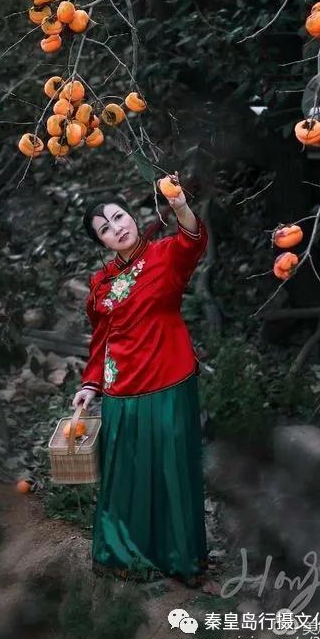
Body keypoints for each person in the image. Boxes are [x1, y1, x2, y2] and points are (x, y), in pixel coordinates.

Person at [72, 175, 213, 588]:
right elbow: (101, 340)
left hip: (170, 379)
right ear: (102, 243)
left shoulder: (168, 254)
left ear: (132, 216)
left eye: (118, 217)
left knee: (174, 470)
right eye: (105, 229)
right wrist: (89, 385)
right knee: (126, 475)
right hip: (121, 390)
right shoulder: (99, 286)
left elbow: (193, 238)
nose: (117, 227)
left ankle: (182, 561)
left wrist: (179, 202)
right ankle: (123, 555)